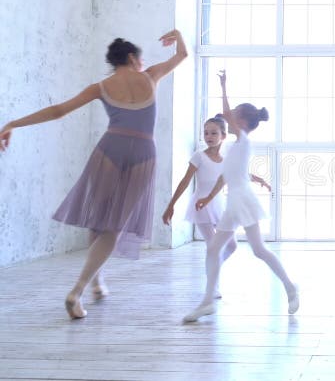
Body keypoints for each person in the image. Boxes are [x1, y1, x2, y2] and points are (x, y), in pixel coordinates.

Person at [0, 30, 188, 318]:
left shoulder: (101, 87)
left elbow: (58, 111)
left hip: (110, 148)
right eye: (140, 58)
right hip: (143, 153)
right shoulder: (150, 76)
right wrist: (177, 37)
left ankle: (98, 282)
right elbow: (182, 55)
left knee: (99, 218)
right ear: (132, 58)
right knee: (114, 227)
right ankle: (77, 291)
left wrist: (13, 122)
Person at [182, 69, 298, 322]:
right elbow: (226, 176)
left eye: (234, 115)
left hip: (241, 200)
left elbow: (224, 114)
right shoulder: (235, 146)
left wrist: (224, 86)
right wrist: (209, 198)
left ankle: (290, 286)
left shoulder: (243, 139)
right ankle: (207, 301)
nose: (229, 116)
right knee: (216, 249)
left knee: (254, 250)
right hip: (236, 199)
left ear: (242, 123)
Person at [161, 114, 270, 298]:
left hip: (219, 204)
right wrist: (171, 205)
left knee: (231, 246)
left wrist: (259, 179)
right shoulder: (199, 156)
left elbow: (239, 173)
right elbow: (185, 181)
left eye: (213, 133)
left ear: (223, 136)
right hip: (201, 206)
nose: (209, 137)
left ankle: (211, 272)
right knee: (213, 247)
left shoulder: (227, 157)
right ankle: (213, 286)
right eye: (206, 133)